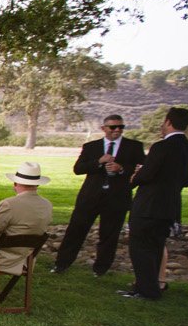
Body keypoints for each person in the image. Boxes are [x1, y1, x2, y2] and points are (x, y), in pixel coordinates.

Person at [52, 114, 146, 276]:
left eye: (121, 127)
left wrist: (121, 169)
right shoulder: (91, 147)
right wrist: (98, 162)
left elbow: (142, 168)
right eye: (113, 127)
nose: (117, 130)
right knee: (76, 230)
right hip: (90, 196)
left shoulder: (134, 146)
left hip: (117, 197)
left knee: (109, 234)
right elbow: (78, 169)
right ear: (104, 129)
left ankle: (101, 269)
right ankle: (62, 263)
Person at [122, 107, 188, 300]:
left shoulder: (161, 147)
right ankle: (150, 287)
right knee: (156, 247)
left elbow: (146, 175)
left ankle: (146, 291)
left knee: (140, 247)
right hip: (170, 205)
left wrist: (135, 176)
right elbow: (187, 181)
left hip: (149, 205)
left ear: (168, 122)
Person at [0, 162, 55, 274]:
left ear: (15, 183)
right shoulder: (47, 204)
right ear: (37, 184)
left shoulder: (9, 204)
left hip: (0, 258)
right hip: (27, 259)